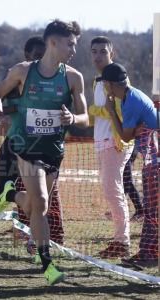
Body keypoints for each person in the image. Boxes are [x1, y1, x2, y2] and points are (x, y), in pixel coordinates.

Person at [0, 20, 88, 285]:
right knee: (42, 201)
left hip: (54, 150)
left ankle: (10, 194)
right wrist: (0, 117)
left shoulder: (73, 77)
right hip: (26, 147)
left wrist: (72, 118)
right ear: (53, 42)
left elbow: (86, 118)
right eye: (70, 44)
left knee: (32, 205)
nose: (74, 50)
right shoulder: (22, 71)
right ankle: (47, 264)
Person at [0, 36, 64, 266]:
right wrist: (8, 113)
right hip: (14, 144)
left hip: (42, 147)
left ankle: (39, 245)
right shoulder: (17, 74)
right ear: (27, 56)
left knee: (41, 201)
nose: (41, 59)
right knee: (0, 196)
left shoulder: (54, 77)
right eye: (37, 54)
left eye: (44, 53)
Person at [99, 63, 158, 269]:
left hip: (155, 159)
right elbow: (129, 134)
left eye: (104, 83)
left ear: (109, 84)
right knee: (153, 210)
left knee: (152, 210)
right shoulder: (130, 95)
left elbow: (124, 137)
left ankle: (149, 255)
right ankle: (149, 254)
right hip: (152, 157)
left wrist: (111, 112)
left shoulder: (129, 101)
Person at [88, 36, 134, 259]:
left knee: (113, 191)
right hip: (101, 143)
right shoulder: (97, 81)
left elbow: (118, 110)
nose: (98, 56)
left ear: (111, 55)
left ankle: (122, 243)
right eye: (94, 51)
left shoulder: (118, 79)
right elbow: (98, 114)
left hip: (115, 144)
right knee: (112, 191)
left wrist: (91, 111)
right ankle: (119, 240)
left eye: (102, 52)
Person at [123, 148, 144, 222]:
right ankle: (140, 211)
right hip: (126, 149)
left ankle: (140, 211)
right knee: (125, 181)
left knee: (127, 180)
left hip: (128, 149)